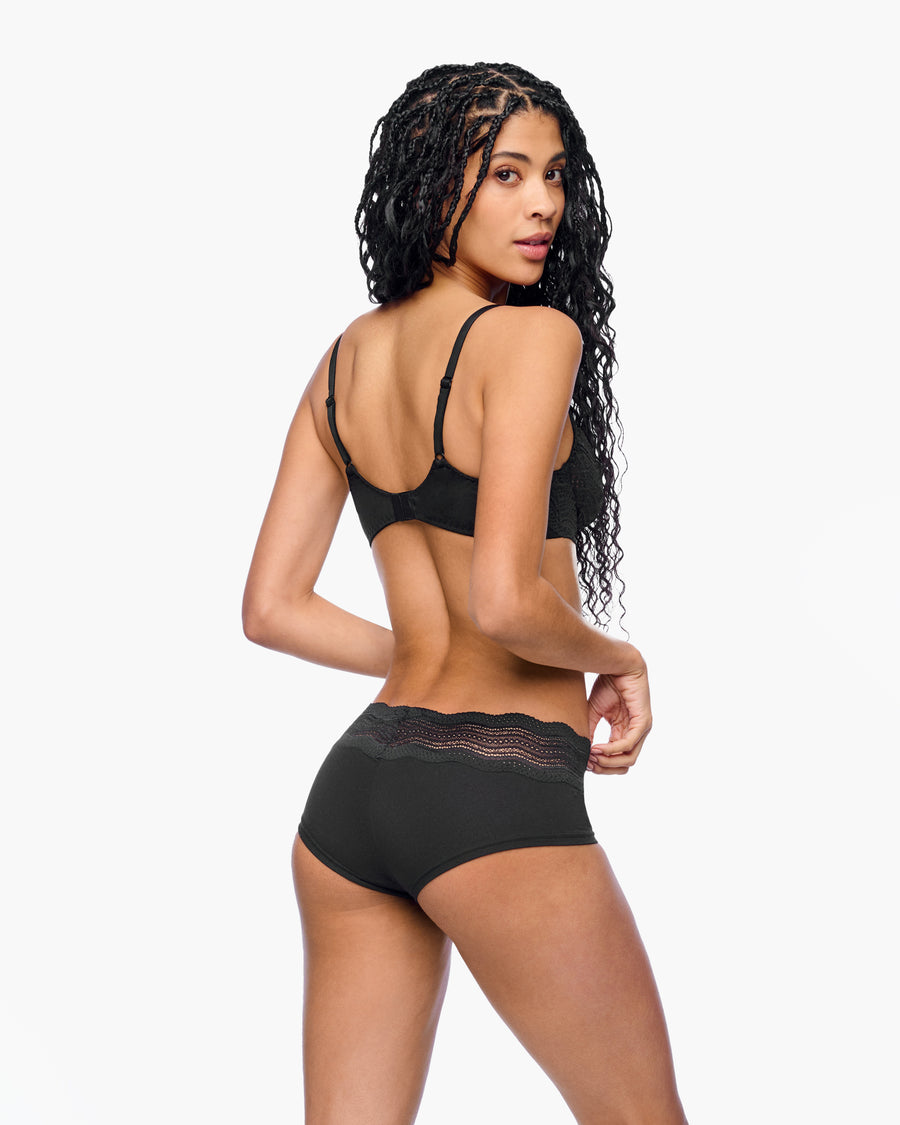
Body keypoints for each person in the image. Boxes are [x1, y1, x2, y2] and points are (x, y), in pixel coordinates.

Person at [243, 62, 687, 1125]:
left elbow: (273, 607)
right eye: (507, 174)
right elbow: (504, 602)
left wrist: (411, 655)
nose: (543, 205)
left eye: (557, 175)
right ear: (434, 184)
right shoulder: (534, 339)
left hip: (354, 797)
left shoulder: (346, 359)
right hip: (494, 791)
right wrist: (620, 658)